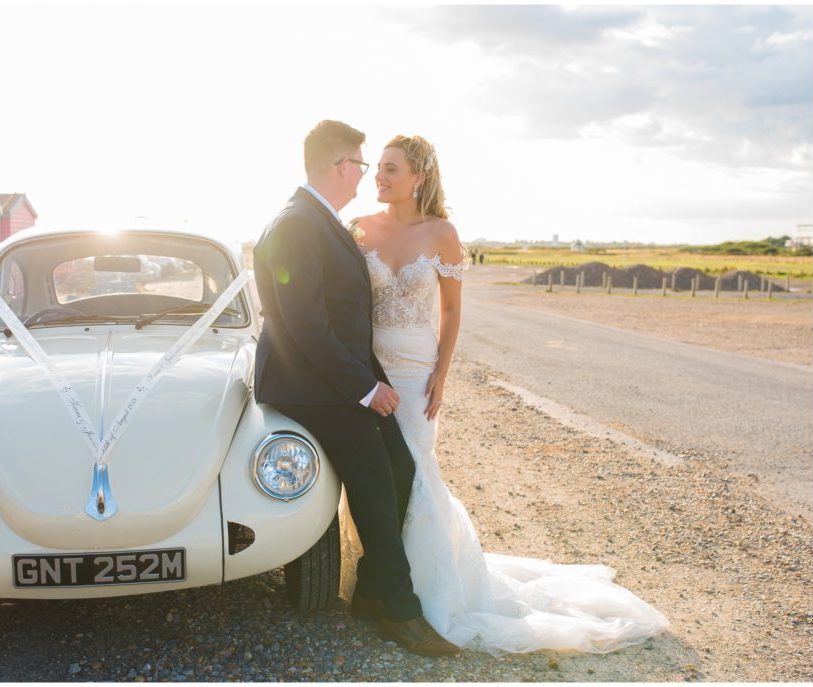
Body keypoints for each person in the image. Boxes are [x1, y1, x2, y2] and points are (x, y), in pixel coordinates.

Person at [344, 134, 670, 654]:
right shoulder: (358, 228)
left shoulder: (443, 233)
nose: (377, 177)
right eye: (377, 168)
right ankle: (379, 581)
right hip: (369, 370)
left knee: (417, 481)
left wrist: (442, 375)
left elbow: (451, 311)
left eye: (390, 169)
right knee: (376, 477)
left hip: (416, 373)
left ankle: (417, 594)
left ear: (418, 177)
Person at [252, 120, 460, 656]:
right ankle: (401, 610)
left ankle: (370, 591)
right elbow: (305, 324)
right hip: (311, 385)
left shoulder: (322, 220)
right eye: (363, 165)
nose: (365, 176)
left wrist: (374, 383)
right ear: (341, 166)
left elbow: (340, 319)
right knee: (372, 477)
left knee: (401, 466)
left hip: (335, 376)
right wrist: (365, 389)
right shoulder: (299, 224)